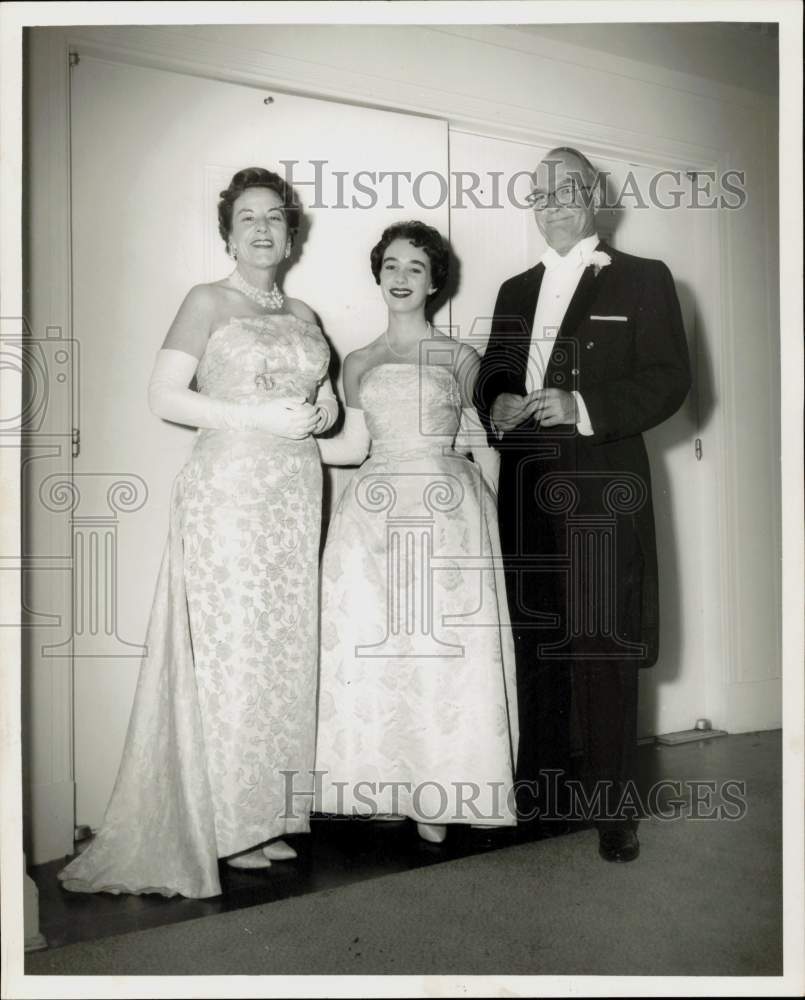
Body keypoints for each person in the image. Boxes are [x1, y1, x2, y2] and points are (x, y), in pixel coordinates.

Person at [58, 167, 337, 898]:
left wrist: (318, 418)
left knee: (282, 651)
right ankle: (217, 823)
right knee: (230, 650)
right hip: (230, 490)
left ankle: (267, 814)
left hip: (294, 493)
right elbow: (163, 396)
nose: (262, 228)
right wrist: (256, 417)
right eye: (247, 217)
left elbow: (327, 408)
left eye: (275, 216)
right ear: (227, 231)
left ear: (291, 231)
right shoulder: (205, 301)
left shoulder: (307, 315)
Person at [475, 147, 691, 862]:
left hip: (600, 485)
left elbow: (668, 380)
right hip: (525, 488)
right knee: (536, 638)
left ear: (595, 197)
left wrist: (582, 404)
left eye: (566, 189)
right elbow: (495, 378)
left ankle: (611, 811)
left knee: (601, 645)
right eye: (539, 193)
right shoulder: (511, 290)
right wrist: (496, 402)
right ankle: (538, 793)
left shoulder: (643, 279)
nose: (552, 202)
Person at [311, 221, 518, 844]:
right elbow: (351, 445)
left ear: (434, 284)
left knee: (437, 651)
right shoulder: (359, 361)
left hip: (444, 509)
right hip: (372, 514)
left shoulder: (457, 356)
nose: (401, 278)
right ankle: (386, 784)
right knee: (381, 645)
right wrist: (290, 435)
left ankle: (440, 790)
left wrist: (497, 524)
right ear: (378, 274)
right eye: (392, 266)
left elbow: (487, 444)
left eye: (416, 269)